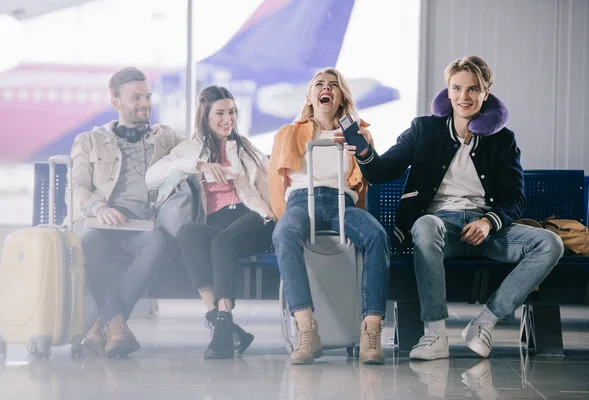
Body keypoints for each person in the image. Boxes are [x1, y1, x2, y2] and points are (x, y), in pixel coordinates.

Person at [350, 56, 563, 360]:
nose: (464, 96)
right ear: (447, 92)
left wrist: (489, 222)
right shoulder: (424, 129)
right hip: (441, 229)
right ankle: (435, 334)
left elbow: (515, 198)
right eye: (457, 88)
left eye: (473, 89)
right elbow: (381, 172)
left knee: (550, 244)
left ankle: (485, 323)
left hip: (486, 231)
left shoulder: (503, 140)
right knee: (424, 224)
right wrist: (364, 151)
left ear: (485, 93)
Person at [270, 67, 390, 365]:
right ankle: (307, 331)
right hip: (300, 200)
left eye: (333, 85)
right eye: (319, 84)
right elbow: (276, 183)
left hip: (342, 203)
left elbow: (364, 184)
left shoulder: (358, 134)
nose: (326, 88)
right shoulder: (289, 133)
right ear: (310, 96)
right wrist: (283, 217)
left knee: (376, 236)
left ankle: (371, 331)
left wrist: (357, 146)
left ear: (340, 97)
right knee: (284, 232)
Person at [146, 86, 274, 359]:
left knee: (222, 241)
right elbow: (152, 177)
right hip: (217, 223)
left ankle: (223, 325)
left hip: (253, 219)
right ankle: (219, 320)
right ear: (205, 115)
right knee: (189, 233)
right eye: (220, 113)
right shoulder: (191, 149)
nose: (228, 119)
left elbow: (270, 191)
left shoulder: (246, 149)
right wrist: (198, 165)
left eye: (232, 112)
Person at [70, 67, 184, 357]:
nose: (145, 103)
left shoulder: (165, 137)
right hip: (102, 223)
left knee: (156, 242)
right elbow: (78, 187)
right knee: (89, 242)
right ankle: (115, 326)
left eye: (147, 96)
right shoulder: (89, 141)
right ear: (116, 101)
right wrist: (100, 207)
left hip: (142, 225)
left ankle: (104, 325)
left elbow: (196, 152)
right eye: (136, 98)